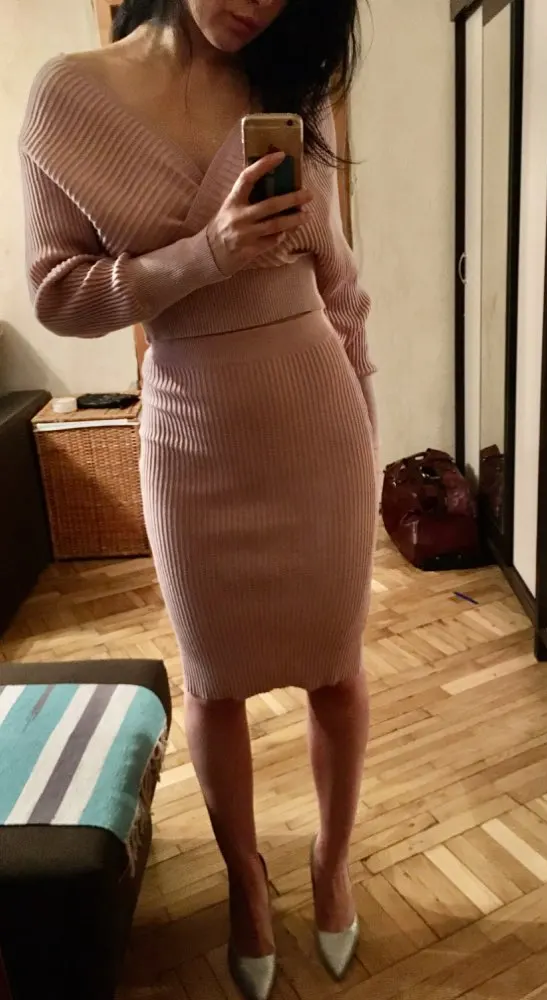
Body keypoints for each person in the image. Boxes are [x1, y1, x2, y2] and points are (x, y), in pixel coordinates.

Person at [20, 2, 378, 997]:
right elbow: (56, 293)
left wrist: (368, 425)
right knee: (215, 684)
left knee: (337, 671)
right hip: (189, 430)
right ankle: (245, 883)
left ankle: (331, 863)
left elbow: (340, 286)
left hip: (318, 423)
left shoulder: (292, 82)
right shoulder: (68, 97)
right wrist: (205, 255)